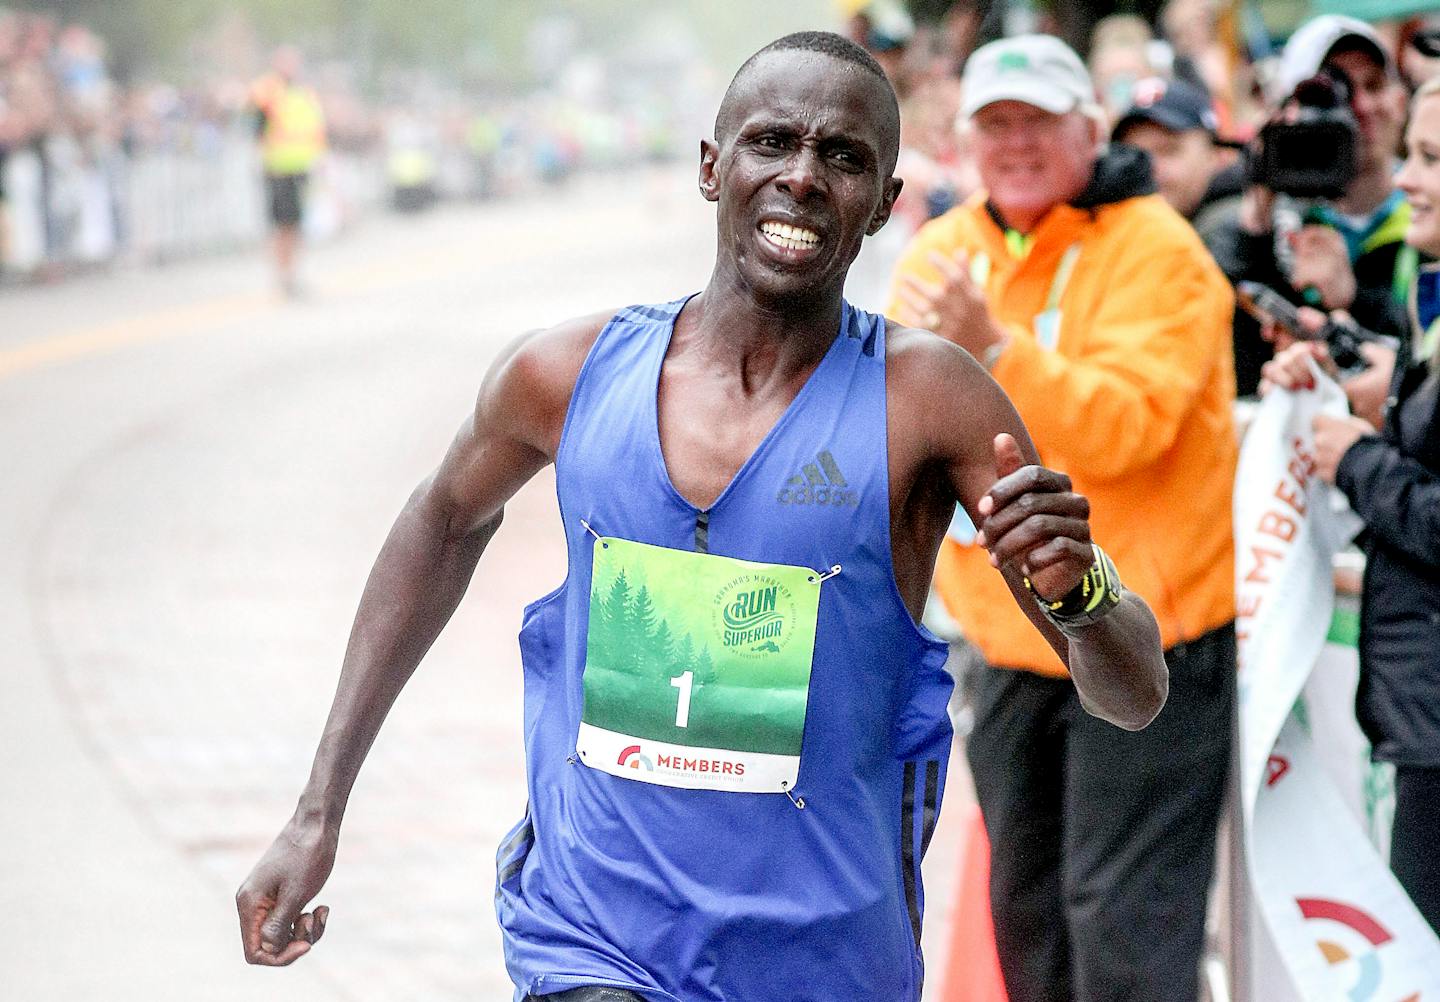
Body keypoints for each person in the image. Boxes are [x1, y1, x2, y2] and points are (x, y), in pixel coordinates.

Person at [234, 31, 1168, 1002]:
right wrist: (317, 810)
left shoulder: (929, 400)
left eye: (844, 157)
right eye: (772, 142)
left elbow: (1132, 692)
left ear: (886, 204)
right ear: (712, 168)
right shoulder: (565, 375)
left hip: (823, 960)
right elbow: (440, 522)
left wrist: (1082, 588)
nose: (803, 178)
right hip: (593, 939)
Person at [888, 34, 1236, 1002]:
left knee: (1124, 928)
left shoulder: (1159, 248)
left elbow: (1132, 425)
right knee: (1027, 918)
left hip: (1146, 642)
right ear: (964, 142)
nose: (1017, 144)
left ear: (1090, 128)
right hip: (1005, 647)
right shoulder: (942, 251)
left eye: (1039, 121)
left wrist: (995, 350)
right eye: (995, 125)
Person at [1260, 75, 1440, 935]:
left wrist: (1360, 458)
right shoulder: (1426, 299)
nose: (1405, 181)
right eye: (1411, 152)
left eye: (1432, 159)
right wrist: (1374, 378)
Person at [1209, 15, 1409, 396]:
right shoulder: (1267, 225)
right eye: (1336, 92)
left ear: (1400, 101)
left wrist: (1352, 303)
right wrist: (1255, 221)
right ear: (1287, 111)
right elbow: (1226, 365)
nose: (1362, 106)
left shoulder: (1427, 212)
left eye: (1374, 85)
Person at [1112, 76, 1244, 242]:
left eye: (1168, 150)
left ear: (1216, 154)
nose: (1149, 167)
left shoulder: (1242, 225)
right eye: (1133, 154)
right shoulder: (1115, 228)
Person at [250, 46, 325, 297]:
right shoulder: (267, 90)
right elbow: (255, 125)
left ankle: (292, 274)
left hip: (301, 168)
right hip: (277, 168)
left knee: (296, 225)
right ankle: (281, 276)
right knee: (281, 226)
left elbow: (316, 131)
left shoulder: (305, 94)